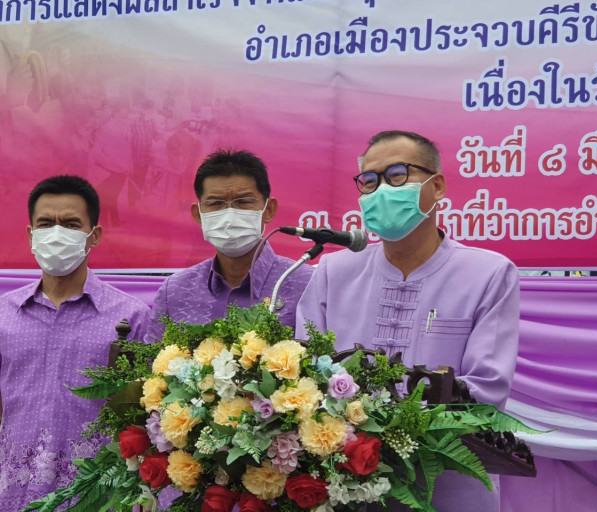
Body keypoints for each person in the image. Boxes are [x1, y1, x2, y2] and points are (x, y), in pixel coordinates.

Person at [296, 130, 520, 511]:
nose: (382, 190)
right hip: (346, 489)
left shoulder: (489, 274)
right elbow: (304, 376)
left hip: (448, 490)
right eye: (370, 181)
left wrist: (383, 426)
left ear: (437, 186)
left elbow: (486, 390)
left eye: (397, 175)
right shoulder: (333, 272)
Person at [0, 175, 150, 510]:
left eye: (70, 224)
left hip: (95, 498)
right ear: (31, 235)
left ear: (93, 235)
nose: (56, 234)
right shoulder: (3, 314)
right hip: (12, 495)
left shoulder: (132, 317)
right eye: (45, 223)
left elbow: (144, 416)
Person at [146, 149, 313, 341]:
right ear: (198, 215)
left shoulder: (306, 284)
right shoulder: (175, 290)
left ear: (269, 210)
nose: (229, 215)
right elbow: (153, 358)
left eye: (243, 202)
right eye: (216, 203)